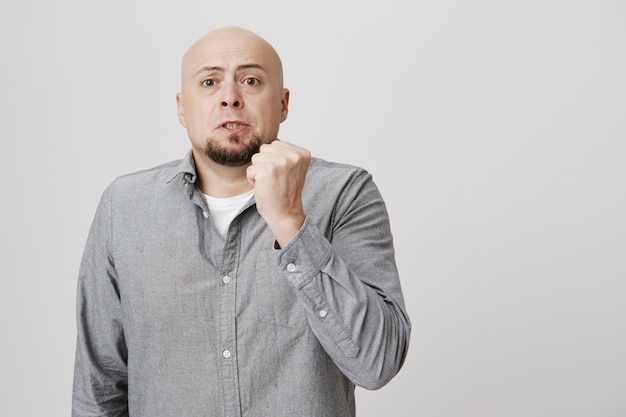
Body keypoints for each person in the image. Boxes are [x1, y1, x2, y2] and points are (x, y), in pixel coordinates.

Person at [72, 26, 411, 417]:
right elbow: (99, 388)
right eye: (210, 81)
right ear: (182, 107)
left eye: (250, 80)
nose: (230, 97)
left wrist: (291, 223)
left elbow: (378, 363)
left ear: (283, 103)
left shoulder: (346, 193)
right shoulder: (124, 206)